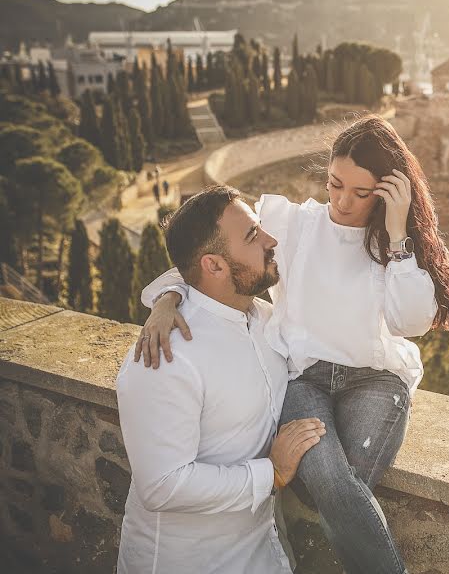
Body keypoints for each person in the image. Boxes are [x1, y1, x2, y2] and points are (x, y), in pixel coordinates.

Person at [137, 114, 449, 574]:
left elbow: (409, 322)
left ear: (390, 191)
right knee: (329, 478)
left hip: (376, 380)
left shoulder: (396, 246)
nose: (344, 202)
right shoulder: (292, 223)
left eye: (361, 193)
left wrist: (396, 234)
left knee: (336, 484)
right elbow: (209, 254)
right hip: (305, 378)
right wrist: (166, 297)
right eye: (334, 184)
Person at [116, 186, 326, 573]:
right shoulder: (164, 355)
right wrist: (272, 473)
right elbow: (162, 485)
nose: (270, 240)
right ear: (214, 266)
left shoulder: (268, 321)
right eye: (252, 235)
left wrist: (169, 294)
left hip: (264, 555)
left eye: (259, 228)